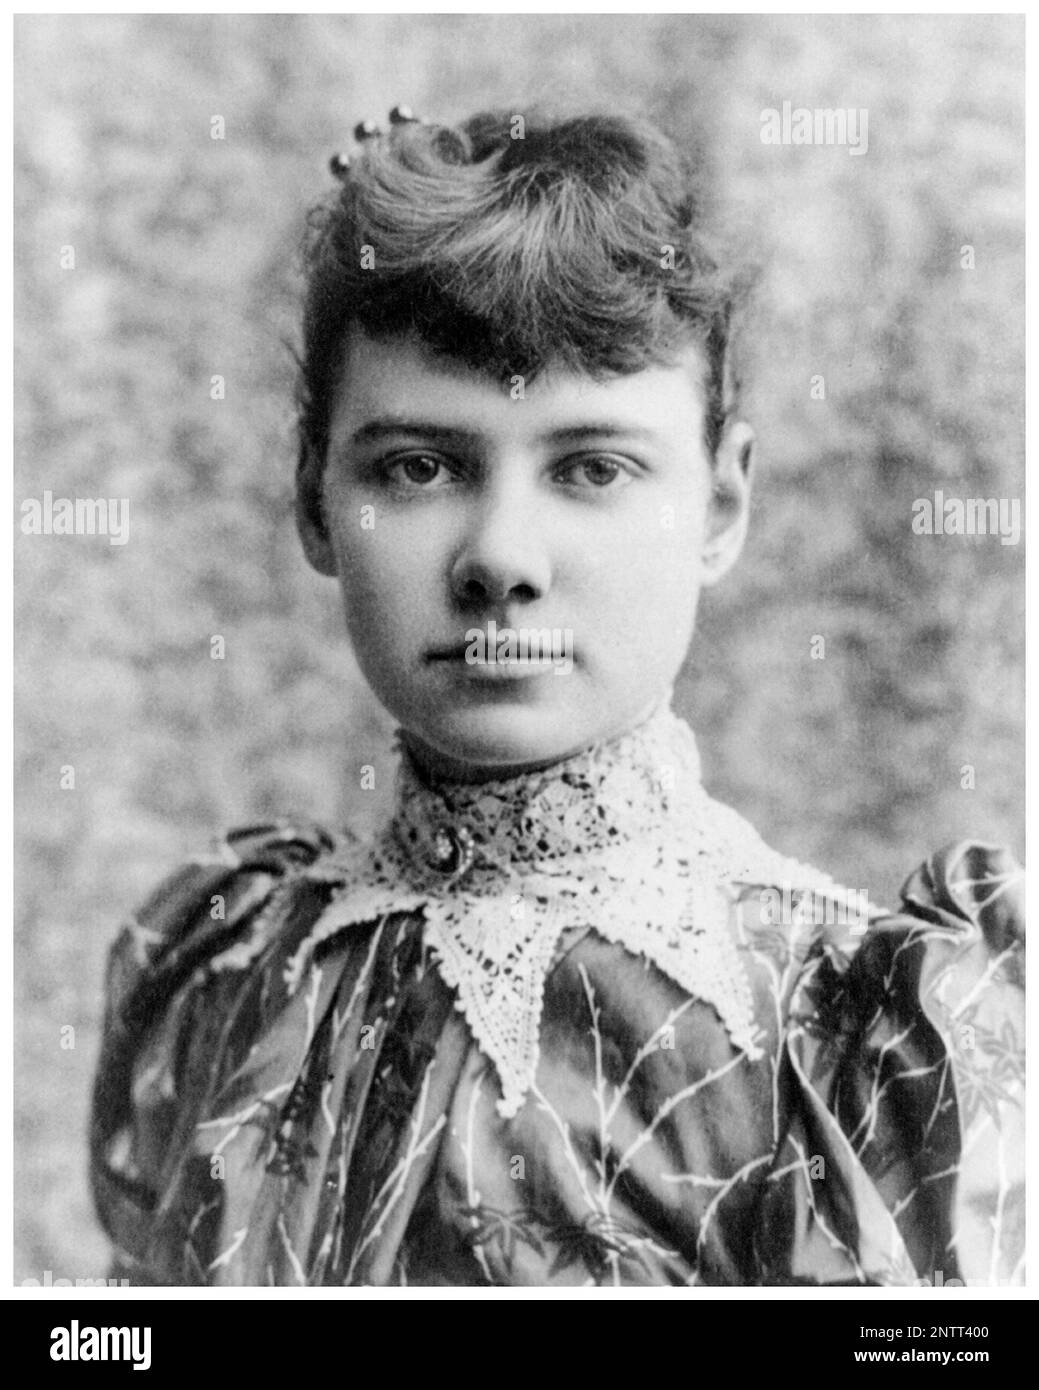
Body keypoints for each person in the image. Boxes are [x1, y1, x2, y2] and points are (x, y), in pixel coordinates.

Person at [90, 106, 1025, 1287]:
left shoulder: (834, 1037)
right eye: (417, 467)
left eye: (591, 468)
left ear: (721, 505)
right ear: (315, 498)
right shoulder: (229, 968)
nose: (501, 557)